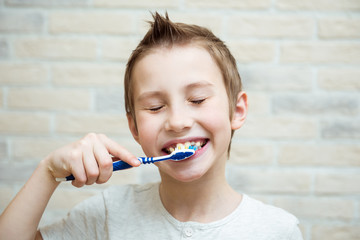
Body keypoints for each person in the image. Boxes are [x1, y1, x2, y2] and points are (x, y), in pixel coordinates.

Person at [0, 12, 303, 240]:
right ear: (133, 127)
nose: (178, 122)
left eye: (197, 99)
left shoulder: (278, 229)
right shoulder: (106, 216)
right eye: (155, 107)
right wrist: (48, 172)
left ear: (237, 111)